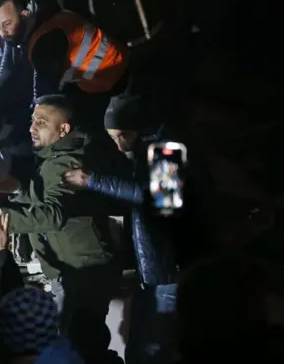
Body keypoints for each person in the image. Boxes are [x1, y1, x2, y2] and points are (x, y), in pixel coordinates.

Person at [63, 93, 215, 364]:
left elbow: (160, 200)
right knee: (138, 349)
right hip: (153, 269)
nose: (119, 145)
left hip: (169, 268)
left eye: (123, 135)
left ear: (139, 126)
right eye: (113, 138)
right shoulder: (144, 148)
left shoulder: (168, 149)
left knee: (155, 349)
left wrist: (94, 181)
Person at [0, 94, 120, 363]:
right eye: (32, 121)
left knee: (76, 349)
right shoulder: (58, 156)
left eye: (41, 122)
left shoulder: (65, 161)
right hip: (79, 266)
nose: (31, 128)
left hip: (84, 271)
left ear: (63, 129)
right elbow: (51, 196)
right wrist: (16, 189)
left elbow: (53, 214)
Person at [0, 0, 129, 129]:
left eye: (7, 23)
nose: (3, 32)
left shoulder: (45, 40)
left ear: (25, 14)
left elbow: (44, 96)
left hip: (112, 79)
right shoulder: (45, 18)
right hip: (102, 75)